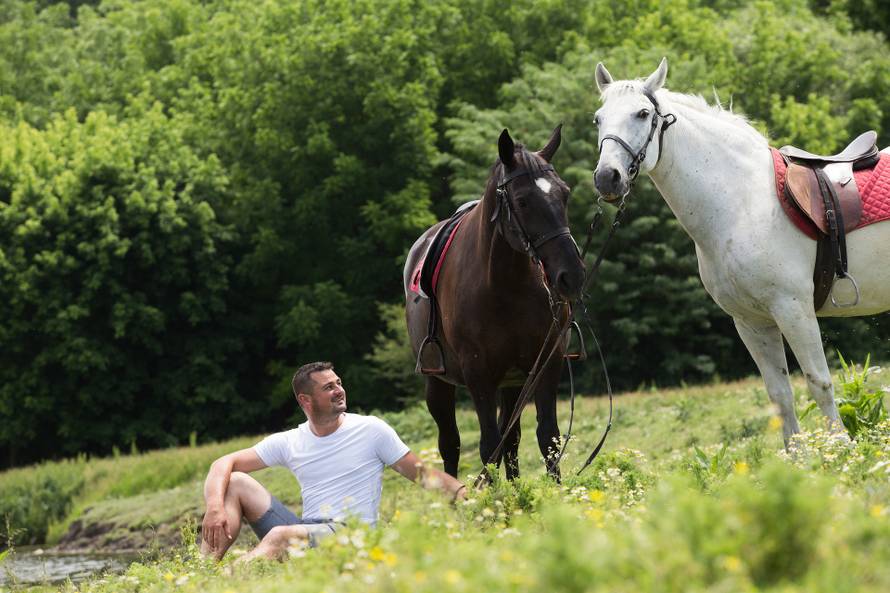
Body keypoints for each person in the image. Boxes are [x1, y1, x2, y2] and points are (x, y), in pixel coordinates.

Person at [200, 361, 467, 561]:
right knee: (235, 482)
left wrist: (467, 494)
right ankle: (204, 569)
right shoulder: (291, 440)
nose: (339, 390)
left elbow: (423, 475)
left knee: (280, 537)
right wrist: (214, 508)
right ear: (305, 400)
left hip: (350, 536)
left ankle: (219, 586)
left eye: (338, 383)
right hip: (308, 531)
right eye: (329, 387)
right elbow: (223, 462)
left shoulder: (371, 430)